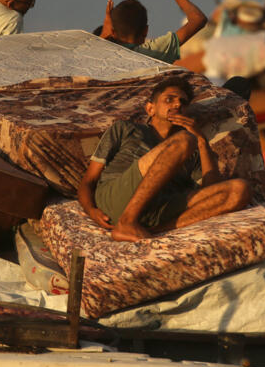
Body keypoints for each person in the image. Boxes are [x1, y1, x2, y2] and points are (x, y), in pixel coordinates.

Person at [78, 75, 250, 242]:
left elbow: (211, 192)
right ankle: (126, 222)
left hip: (155, 211)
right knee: (183, 140)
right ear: (150, 108)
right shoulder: (126, 129)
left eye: (183, 102)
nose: (177, 104)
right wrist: (91, 210)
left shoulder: (194, 149)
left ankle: (152, 230)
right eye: (169, 99)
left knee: (240, 189)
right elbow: (88, 180)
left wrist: (202, 141)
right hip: (116, 199)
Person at [99, 0, 207, 63]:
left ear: (112, 32)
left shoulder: (100, 58)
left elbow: (92, 46)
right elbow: (198, 19)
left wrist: (104, 33)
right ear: (145, 31)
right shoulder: (153, 53)